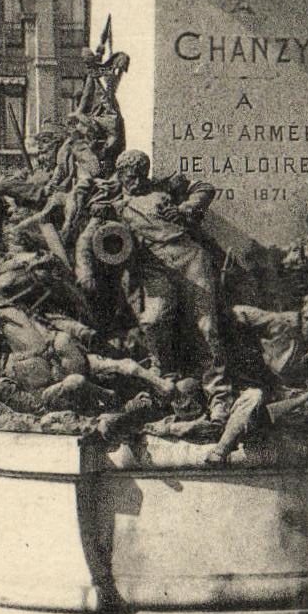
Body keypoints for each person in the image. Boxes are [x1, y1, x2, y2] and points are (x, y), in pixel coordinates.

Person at [113, 149, 232, 420]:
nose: (136, 182)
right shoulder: (115, 204)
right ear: (121, 175)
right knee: (153, 321)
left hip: (190, 258)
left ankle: (219, 397)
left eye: (141, 175)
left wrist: (184, 209)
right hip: (155, 268)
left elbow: (204, 187)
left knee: (207, 326)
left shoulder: (164, 188)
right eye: (131, 177)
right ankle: (166, 381)